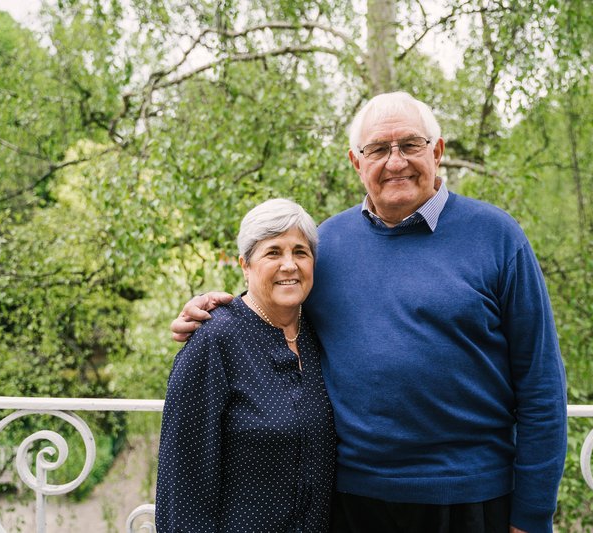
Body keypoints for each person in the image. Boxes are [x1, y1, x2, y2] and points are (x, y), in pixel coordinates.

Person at [171, 92, 567, 533]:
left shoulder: (498, 237)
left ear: (437, 152)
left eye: (410, 145)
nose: (395, 162)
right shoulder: (329, 243)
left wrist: (532, 515)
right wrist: (218, 313)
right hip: (352, 503)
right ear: (356, 163)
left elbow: (542, 386)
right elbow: (279, 301)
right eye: (378, 150)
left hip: (471, 499)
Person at [156, 199, 336, 532]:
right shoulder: (215, 339)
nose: (289, 265)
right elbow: (181, 481)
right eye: (273, 252)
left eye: (300, 252)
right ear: (245, 265)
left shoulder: (317, 332)